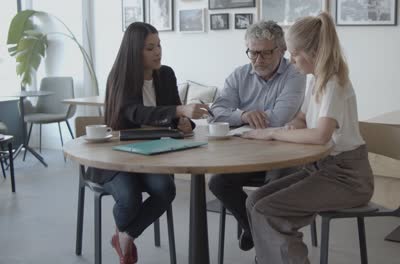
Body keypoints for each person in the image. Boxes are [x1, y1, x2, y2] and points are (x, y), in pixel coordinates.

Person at [242, 13, 374, 264]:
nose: (290, 61)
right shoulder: (316, 81)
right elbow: (303, 119)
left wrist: (273, 132)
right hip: (321, 169)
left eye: (294, 54)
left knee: (268, 211)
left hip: (348, 178)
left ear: (314, 52)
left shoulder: (334, 83)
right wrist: (292, 127)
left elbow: (321, 135)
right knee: (254, 201)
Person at [87, 22, 209, 264]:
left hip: (155, 152)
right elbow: (135, 113)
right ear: (134, 51)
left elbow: (176, 115)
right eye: (150, 48)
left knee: (166, 190)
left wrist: (185, 122)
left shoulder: (166, 75)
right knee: (130, 198)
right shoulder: (119, 78)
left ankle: (123, 236)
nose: (158, 52)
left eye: (159, 45)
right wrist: (178, 109)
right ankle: (126, 236)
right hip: (117, 156)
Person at [208, 20, 306, 251]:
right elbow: (216, 113)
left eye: (265, 53)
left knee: (269, 193)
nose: (257, 60)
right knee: (218, 183)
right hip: (246, 154)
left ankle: (265, 248)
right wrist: (243, 116)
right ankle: (253, 229)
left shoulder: (295, 74)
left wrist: (242, 119)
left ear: (282, 51)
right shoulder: (239, 75)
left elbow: (280, 117)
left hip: (284, 153)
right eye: (252, 53)